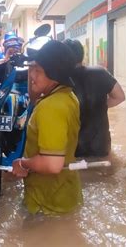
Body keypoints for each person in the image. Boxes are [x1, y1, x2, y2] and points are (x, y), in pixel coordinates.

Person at [11, 40, 83, 215]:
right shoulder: (67, 96)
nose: (32, 75)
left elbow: (51, 165)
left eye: (38, 70)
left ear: (54, 73)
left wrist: (23, 163)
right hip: (64, 193)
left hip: (48, 204)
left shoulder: (51, 107)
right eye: (31, 68)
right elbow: (33, 96)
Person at [63, 39, 125, 158]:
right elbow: (120, 97)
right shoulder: (100, 72)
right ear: (82, 54)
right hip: (101, 146)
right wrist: (101, 104)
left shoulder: (60, 79)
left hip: (73, 149)